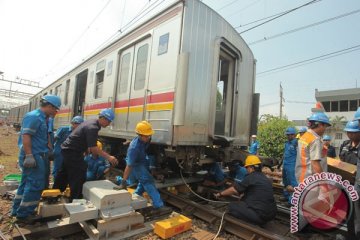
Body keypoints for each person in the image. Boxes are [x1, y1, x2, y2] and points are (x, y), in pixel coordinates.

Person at [12, 95, 61, 223]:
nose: (56, 112)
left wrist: (48, 150)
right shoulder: (34, 116)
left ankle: (17, 209)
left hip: (38, 154)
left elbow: (42, 137)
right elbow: (26, 136)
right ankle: (24, 214)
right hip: (33, 155)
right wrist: (29, 155)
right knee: (35, 184)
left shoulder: (43, 118)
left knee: (26, 182)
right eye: (56, 109)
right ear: (49, 106)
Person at [53, 108, 118, 201]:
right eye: (109, 121)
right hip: (73, 151)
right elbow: (94, 148)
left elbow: (85, 140)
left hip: (68, 150)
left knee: (64, 173)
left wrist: (85, 150)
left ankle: (55, 194)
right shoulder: (93, 127)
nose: (109, 124)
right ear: (103, 118)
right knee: (78, 175)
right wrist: (109, 157)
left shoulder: (92, 123)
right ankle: (75, 199)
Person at [116, 121, 170, 213]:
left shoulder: (146, 138)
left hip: (143, 159)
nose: (148, 137)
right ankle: (159, 206)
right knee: (148, 181)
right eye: (146, 136)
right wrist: (123, 182)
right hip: (136, 163)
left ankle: (137, 194)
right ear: (139, 135)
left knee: (144, 180)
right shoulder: (134, 148)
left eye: (149, 135)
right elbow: (129, 166)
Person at [214, 155, 277, 226]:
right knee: (243, 201)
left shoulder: (251, 177)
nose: (246, 169)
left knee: (232, 206)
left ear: (251, 167)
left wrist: (220, 194)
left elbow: (234, 190)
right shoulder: (264, 177)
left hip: (260, 216)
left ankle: (254, 222)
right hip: (271, 214)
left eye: (247, 167)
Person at [338, 120, 360, 239]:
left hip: (357, 185)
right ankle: (351, 235)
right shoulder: (345, 145)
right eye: (348, 132)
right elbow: (340, 162)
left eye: (353, 132)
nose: (350, 135)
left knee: (358, 215)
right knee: (348, 213)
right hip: (346, 184)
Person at [295, 112, 331, 184]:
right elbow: (315, 163)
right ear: (320, 124)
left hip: (302, 177)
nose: (325, 129)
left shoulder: (305, 136)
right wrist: (323, 184)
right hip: (312, 180)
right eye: (325, 126)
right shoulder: (315, 139)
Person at [279, 127, 298, 204]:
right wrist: (280, 163)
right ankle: (286, 196)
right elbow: (285, 154)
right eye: (287, 135)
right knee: (285, 181)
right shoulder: (287, 143)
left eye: (289, 135)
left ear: (294, 135)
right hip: (285, 165)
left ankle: (291, 200)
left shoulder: (296, 143)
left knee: (292, 183)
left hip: (292, 166)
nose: (288, 136)